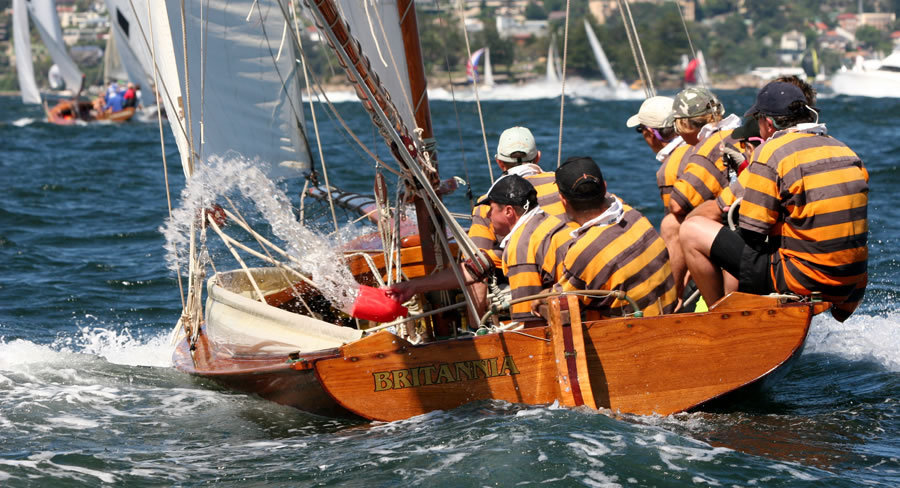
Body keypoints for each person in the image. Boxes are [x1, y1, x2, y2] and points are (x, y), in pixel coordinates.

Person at [680, 81, 868, 321]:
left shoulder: (772, 151)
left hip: (804, 279)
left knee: (691, 231)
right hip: (851, 283)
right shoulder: (845, 150)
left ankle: (719, 319)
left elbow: (752, 234)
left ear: (767, 123)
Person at [384, 175, 540, 322]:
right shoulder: (531, 231)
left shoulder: (520, 248)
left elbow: (532, 325)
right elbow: (472, 270)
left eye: (491, 209)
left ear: (508, 211)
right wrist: (412, 287)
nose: (487, 215)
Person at [551, 157, 677, 317]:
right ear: (604, 188)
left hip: (634, 335)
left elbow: (560, 307)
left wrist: (538, 304)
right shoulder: (632, 215)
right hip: (669, 316)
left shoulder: (584, 252)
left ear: (563, 200)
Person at [661, 87, 741, 307]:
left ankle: (674, 303)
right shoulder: (738, 134)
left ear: (684, 124)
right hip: (758, 229)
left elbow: (678, 204)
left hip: (741, 237)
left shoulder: (709, 147)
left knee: (673, 223)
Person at [468, 126, 565, 270]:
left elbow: (475, 261)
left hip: (522, 276)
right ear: (538, 157)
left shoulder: (488, 204)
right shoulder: (564, 186)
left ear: (499, 162)